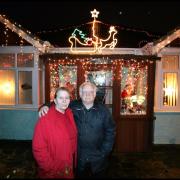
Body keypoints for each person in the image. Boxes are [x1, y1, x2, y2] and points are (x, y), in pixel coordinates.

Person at [39, 82, 116, 178]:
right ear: (80, 94)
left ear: (95, 94)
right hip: (79, 157)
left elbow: (110, 131)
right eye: (84, 92)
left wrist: (104, 151)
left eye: (91, 92)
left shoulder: (104, 110)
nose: (87, 94)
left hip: (98, 157)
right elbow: (59, 103)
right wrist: (45, 106)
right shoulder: (73, 106)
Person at [33, 87, 77, 179]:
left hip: (68, 164)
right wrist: (50, 168)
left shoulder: (69, 114)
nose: (64, 101)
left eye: (67, 98)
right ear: (55, 101)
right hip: (54, 170)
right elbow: (38, 148)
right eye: (61, 98)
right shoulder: (45, 118)